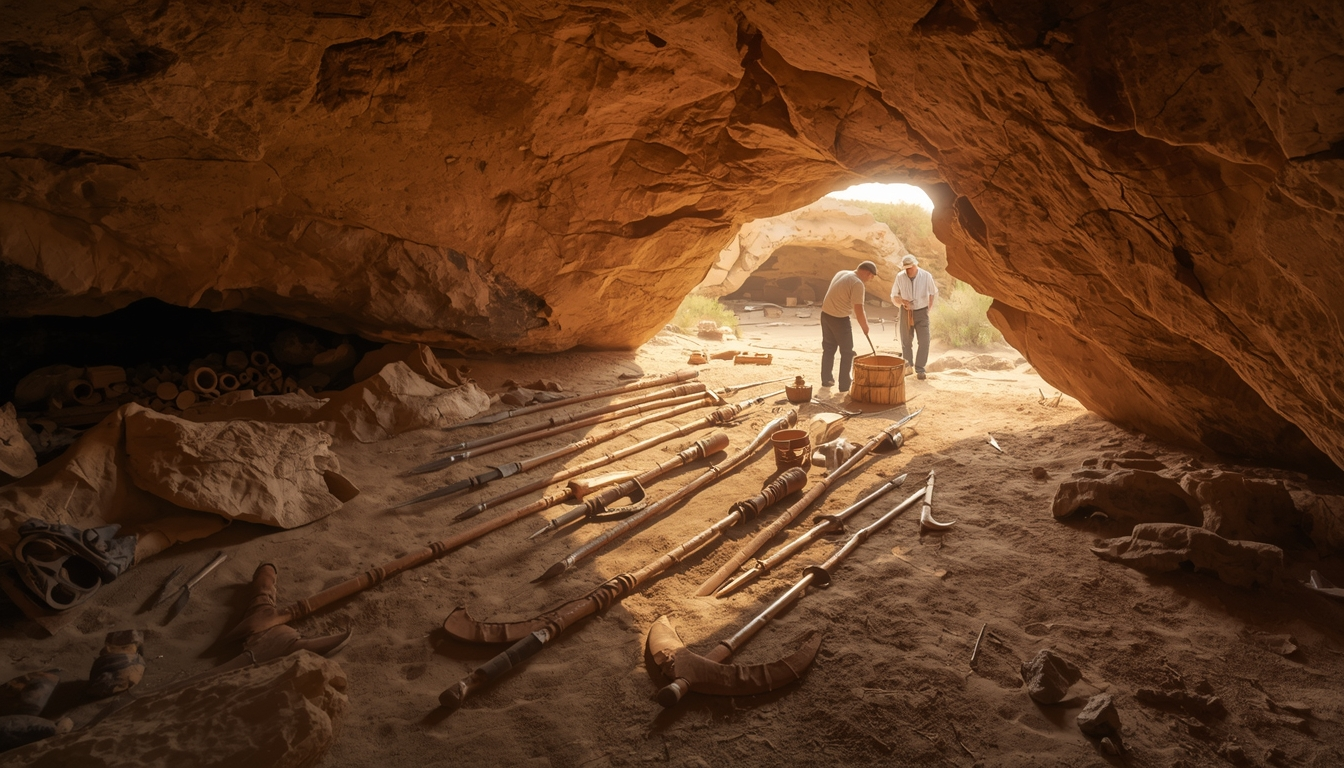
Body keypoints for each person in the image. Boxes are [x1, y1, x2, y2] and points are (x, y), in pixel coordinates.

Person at [819, 260, 877, 393]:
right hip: (839, 319)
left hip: (825, 315)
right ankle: (844, 385)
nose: (871, 279)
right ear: (867, 273)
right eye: (871, 276)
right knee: (847, 352)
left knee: (828, 348)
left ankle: (826, 380)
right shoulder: (857, 283)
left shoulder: (843, 273)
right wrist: (865, 327)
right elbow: (858, 309)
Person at [890, 254, 939, 380]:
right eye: (905, 268)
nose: (907, 270)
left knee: (925, 341)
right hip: (906, 311)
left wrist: (929, 307)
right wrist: (901, 301)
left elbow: (933, 292)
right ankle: (908, 366)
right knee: (906, 341)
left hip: (922, 311)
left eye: (909, 268)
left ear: (915, 265)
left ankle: (920, 368)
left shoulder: (926, 275)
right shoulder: (900, 277)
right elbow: (894, 295)